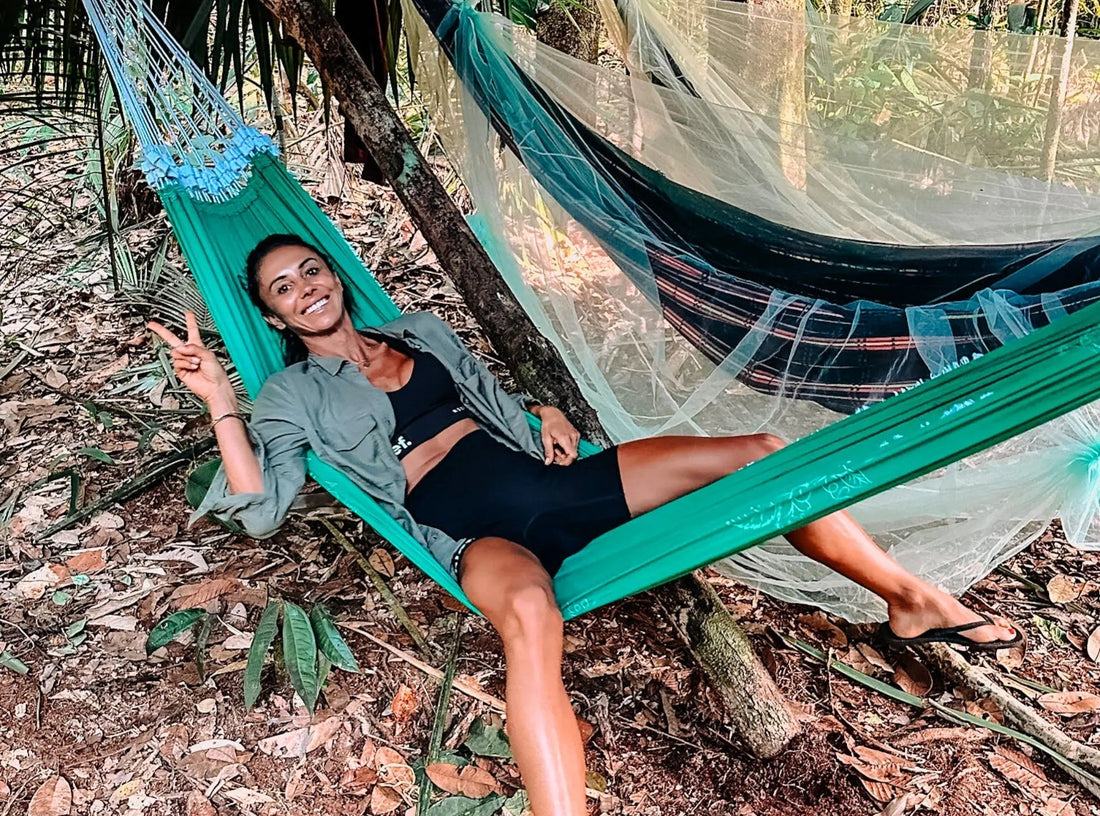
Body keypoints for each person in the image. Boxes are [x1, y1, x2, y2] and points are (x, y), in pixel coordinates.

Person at [149, 233, 1020, 816]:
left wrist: (541, 411)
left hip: (550, 484)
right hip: (469, 524)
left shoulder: (417, 327)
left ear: (334, 275)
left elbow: (487, 401)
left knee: (757, 449)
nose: (304, 290)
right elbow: (262, 509)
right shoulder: (286, 395)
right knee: (531, 620)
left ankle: (910, 599)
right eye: (283, 289)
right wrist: (219, 401)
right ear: (270, 317)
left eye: (310, 271)